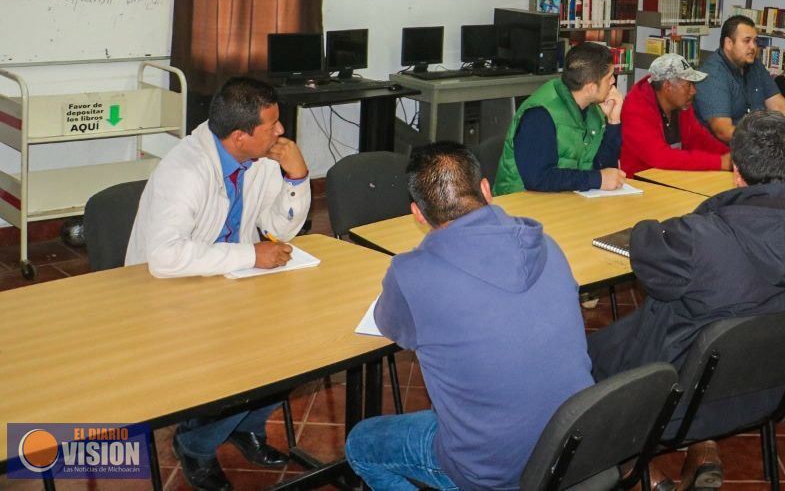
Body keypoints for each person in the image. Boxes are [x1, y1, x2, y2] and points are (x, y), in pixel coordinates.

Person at [588, 111, 785, 488]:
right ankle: (704, 450)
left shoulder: (704, 236)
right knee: (719, 330)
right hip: (762, 386)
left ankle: (633, 471)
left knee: (581, 362)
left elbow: (648, 251)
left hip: (680, 395)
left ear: (736, 169)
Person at [345, 142, 594, 491]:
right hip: (575, 443)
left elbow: (389, 325)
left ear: (418, 213)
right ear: (487, 190)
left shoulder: (413, 273)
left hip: (491, 470)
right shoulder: (548, 245)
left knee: (362, 443)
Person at [125, 76, 310, 491]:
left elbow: (281, 227)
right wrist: (252, 255)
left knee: (304, 348)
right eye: (272, 125)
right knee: (243, 364)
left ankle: (243, 426)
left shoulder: (258, 161)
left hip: (226, 285)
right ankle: (196, 443)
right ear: (240, 136)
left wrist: (297, 178)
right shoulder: (185, 171)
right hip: (166, 295)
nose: (281, 132)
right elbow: (165, 258)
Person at [494, 41, 625, 195]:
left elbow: (605, 169)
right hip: (520, 204)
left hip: (565, 200)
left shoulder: (593, 109)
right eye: (609, 77)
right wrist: (597, 179)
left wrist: (613, 121)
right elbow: (538, 178)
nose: (613, 81)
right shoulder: (540, 115)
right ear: (590, 87)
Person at [694, 15, 785, 147]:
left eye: (755, 41)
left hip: (757, 148)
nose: (753, 47)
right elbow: (723, 131)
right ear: (728, 43)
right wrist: (773, 140)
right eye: (747, 41)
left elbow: (778, 104)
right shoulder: (713, 74)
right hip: (723, 153)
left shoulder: (754, 66)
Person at [619, 53, 730, 175]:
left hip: (673, 177)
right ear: (667, 86)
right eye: (688, 85)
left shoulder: (681, 105)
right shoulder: (636, 109)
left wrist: (731, 156)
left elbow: (699, 138)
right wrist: (719, 162)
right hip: (641, 182)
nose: (693, 91)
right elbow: (660, 157)